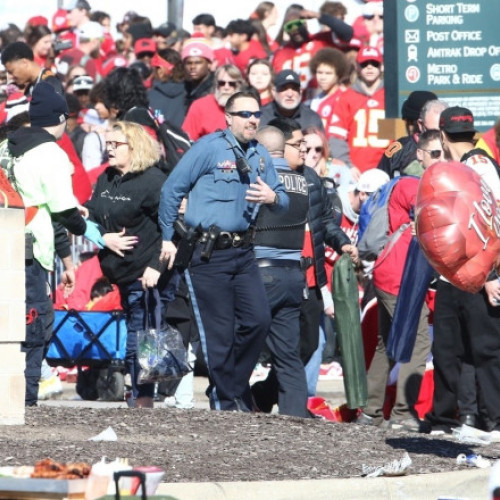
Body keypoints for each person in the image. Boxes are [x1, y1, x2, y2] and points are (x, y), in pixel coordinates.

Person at [158, 91, 289, 411]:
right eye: (244, 114)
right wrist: (165, 239)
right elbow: (171, 190)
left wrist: (273, 198)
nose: (252, 119)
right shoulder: (208, 147)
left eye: (256, 113)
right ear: (228, 118)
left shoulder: (260, 154)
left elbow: (284, 201)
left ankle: (226, 388)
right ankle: (219, 400)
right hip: (204, 253)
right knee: (211, 334)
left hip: (242, 251)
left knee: (258, 320)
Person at [5, 82, 132, 406]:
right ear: (61, 119)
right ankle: (23, 401)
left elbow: (45, 207)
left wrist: (67, 261)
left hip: (9, 243)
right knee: (33, 324)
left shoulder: (6, 146)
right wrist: (100, 236)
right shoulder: (51, 154)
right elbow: (64, 212)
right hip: (27, 250)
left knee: (9, 322)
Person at [85, 120, 176, 409]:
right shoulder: (106, 178)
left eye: (115, 145)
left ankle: (142, 400)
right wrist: (103, 237)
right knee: (139, 334)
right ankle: (143, 396)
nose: (109, 149)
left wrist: (155, 267)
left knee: (140, 336)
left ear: (134, 148)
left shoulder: (153, 181)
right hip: (119, 273)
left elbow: (171, 230)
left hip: (145, 274)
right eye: (107, 144)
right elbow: (95, 217)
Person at [425, 107, 500, 435]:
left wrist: (492, 277)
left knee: (479, 351)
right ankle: (450, 418)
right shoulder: (470, 165)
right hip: (459, 273)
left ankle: (490, 419)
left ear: (442, 135)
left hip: (478, 273)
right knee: (451, 349)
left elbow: (493, 223)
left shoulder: (476, 168)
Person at [252, 124, 311, 417]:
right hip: (293, 274)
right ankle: (296, 422)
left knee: (239, 346)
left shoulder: (260, 179)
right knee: (288, 357)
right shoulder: (303, 182)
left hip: (261, 273)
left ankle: (234, 411)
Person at [327, 46, 389, 179]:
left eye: (374, 63)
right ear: (357, 67)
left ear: (382, 66)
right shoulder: (347, 97)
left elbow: (396, 139)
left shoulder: (389, 96)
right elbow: (337, 137)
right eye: (364, 64)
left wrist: (390, 165)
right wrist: (348, 165)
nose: (369, 67)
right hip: (355, 172)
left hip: (384, 171)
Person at [272, 6, 353, 89]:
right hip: (297, 99)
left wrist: (318, 15)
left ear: (305, 23)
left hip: (323, 96)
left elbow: (347, 34)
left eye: (298, 24)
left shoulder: (321, 40)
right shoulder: (280, 53)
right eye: (289, 26)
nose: (295, 30)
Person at [377, 93, 447, 178]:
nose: (438, 136)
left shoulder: (456, 147)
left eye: (443, 131)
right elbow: (379, 181)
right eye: (432, 132)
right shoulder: (401, 149)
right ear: (421, 124)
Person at [182, 64, 243, 141]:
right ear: (216, 84)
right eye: (222, 83)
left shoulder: (246, 106)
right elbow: (187, 139)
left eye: (231, 84)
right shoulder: (199, 106)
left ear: (238, 86)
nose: (226, 87)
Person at [259, 69, 324, 132]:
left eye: (294, 89)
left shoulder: (311, 119)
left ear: (300, 91)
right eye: (284, 88)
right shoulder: (261, 117)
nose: (290, 94)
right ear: (273, 92)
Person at [148, 48, 187, 128]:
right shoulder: (190, 93)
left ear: (160, 70)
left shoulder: (148, 96)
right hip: (182, 139)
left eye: (156, 68)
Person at [182, 39, 216, 110]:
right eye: (189, 63)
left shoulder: (216, 89)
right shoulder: (182, 88)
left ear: (209, 64)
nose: (193, 67)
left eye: (198, 63)